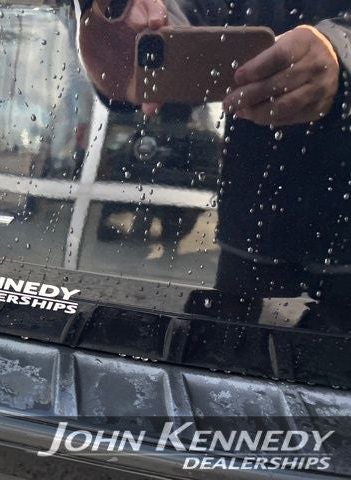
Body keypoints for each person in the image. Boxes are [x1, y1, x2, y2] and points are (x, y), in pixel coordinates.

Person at [78, 0, 351, 316]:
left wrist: (340, 46)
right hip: (249, 213)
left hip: (325, 220)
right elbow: (196, 9)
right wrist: (148, 23)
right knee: (228, 329)